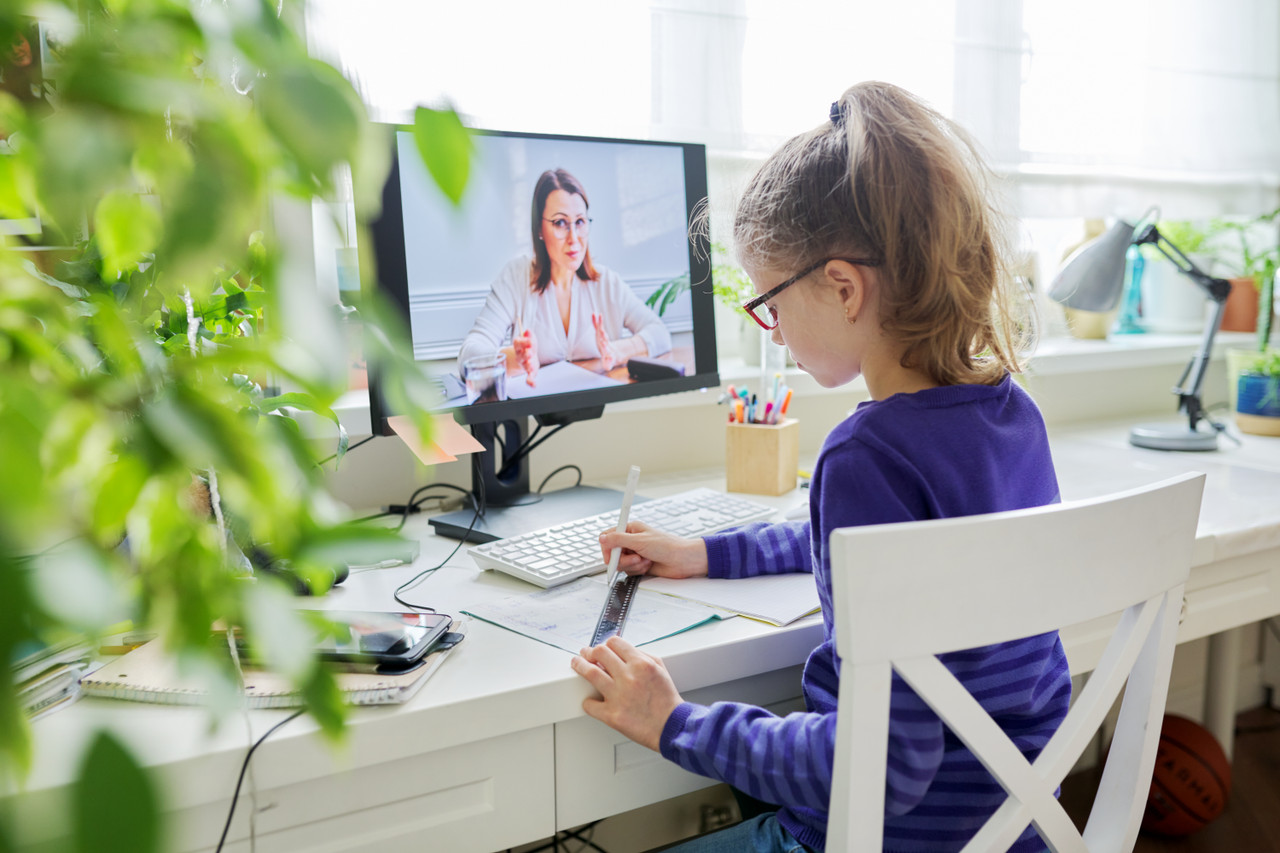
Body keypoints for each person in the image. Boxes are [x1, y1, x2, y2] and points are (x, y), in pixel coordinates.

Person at [569, 81, 1070, 853]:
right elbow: (891, 556)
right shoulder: (1012, 416)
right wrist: (707, 552)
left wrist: (673, 720)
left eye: (769, 302)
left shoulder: (867, 456)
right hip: (1016, 832)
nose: (771, 331)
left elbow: (886, 766)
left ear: (843, 287)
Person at [456, 168, 671, 388]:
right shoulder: (516, 277)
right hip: (538, 412)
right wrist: (514, 358)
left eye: (580, 222)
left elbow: (660, 334)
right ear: (539, 228)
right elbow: (468, 355)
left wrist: (616, 352)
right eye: (560, 223)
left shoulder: (607, 283)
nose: (574, 238)